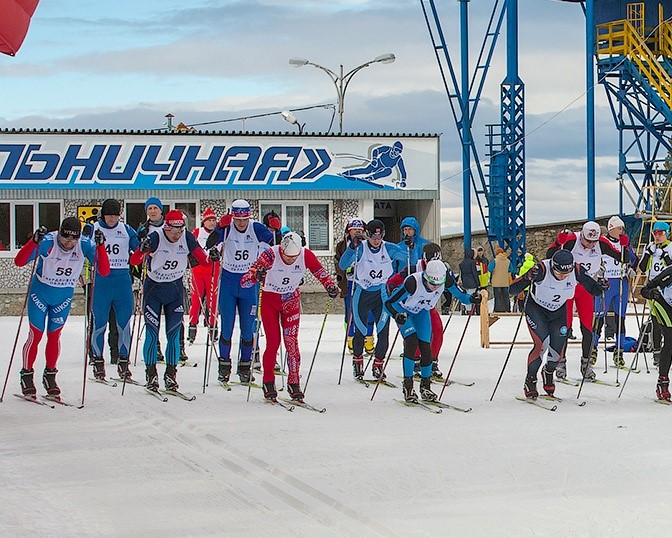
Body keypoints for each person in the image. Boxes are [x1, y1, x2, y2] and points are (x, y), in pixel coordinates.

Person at [14, 217, 110, 399]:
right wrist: (33, 242)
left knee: (54, 335)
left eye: (72, 240)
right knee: (36, 334)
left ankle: (50, 375)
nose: (68, 244)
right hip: (40, 293)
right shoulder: (49, 241)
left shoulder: (84, 244)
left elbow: (104, 271)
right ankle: (26, 374)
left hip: (63, 296)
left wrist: (100, 247)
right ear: (59, 234)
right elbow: (19, 261)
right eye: (65, 239)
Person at [241, 232, 339, 401]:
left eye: (294, 257)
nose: (290, 260)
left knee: (291, 344)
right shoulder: (270, 254)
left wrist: (330, 286)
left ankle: (294, 382)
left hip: (291, 302)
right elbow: (244, 281)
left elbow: (320, 272)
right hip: (270, 301)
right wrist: (256, 276)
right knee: (273, 343)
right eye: (287, 257)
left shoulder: (305, 255)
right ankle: (269, 381)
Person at [509, 250, 608, 399]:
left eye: (566, 274)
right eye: (559, 273)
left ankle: (548, 372)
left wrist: (601, 286)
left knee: (557, 348)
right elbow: (512, 289)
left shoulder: (577, 270)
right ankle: (530, 380)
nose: (563, 276)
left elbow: (593, 289)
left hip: (558, 312)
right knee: (541, 344)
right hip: (537, 310)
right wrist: (526, 278)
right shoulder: (542, 269)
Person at [129, 210, 209, 393]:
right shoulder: (156, 237)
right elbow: (133, 260)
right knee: (152, 332)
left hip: (174, 289)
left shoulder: (186, 238)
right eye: (174, 231)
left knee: (173, 334)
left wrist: (211, 256)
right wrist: (142, 249)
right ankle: (151, 374)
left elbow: (204, 261)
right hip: (154, 289)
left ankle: (171, 374)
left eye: (180, 230)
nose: (177, 235)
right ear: (167, 227)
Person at [385, 259, 480, 402]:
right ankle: (408, 386)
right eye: (432, 284)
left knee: (426, 348)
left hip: (421, 312)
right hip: (404, 311)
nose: (435, 288)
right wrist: (396, 315)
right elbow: (389, 303)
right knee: (411, 342)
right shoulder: (413, 283)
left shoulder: (446, 279)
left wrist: (472, 298)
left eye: (438, 284)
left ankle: (425, 387)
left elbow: (462, 297)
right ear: (425, 277)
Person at [547, 221, 627, 381]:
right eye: (587, 241)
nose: (589, 245)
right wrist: (558, 242)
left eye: (593, 242)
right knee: (565, 327)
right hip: (567, 286)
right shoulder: (571, 240)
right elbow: (550, 256)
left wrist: (625, 245)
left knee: (587, 328)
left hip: (586, 287)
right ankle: (560, 363)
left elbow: (623, 258)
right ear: (581, 235)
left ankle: (586, 364)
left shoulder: (601, 243)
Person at [205, 199, 274, 384]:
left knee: (247, 328)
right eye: (237, 219)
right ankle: (224, 366)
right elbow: (210, 244)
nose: (241, 223)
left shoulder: (256, 228)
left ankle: (245, 367)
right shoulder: (227, 228)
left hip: (249, 282)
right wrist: (219, 228)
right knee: (227, 326)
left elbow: (273, 244)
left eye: (244, 219)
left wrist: (275, 228)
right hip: (228, 281)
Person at [338, 219, 407, 381]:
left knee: (383, 332)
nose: (376, 241)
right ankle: (358, 362)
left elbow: (408, 257)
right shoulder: (360, 248)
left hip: (381, 295)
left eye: (380, 236)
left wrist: (409, 245)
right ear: (367, 235)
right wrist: (351, 248)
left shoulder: (388, 248)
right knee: (361, 330)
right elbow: (343, 264)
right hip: (362, 293)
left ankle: (378, 365)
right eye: (373, 237)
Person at [387, 242, 467, 380]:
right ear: (425, 259)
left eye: (437, 260)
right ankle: (416, 360)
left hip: (427, 306)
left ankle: (432, 361)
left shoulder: (441, 270)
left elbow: (454, 288)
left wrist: (468, 297)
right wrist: (393, 291)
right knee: (414, 337)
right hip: (410, 306)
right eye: (431, 260)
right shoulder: (414, 269)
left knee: (437, 329)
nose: (434, 263)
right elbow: (393, 282)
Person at [89, 199, 140, 383]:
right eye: (109, 214)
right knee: (100, 324)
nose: (112, 218)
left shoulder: (126, 230)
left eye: (115, 215)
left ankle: (123, 363)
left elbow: (138, 250)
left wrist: (145, 247)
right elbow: (81, 250)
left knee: (124, 324)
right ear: (103, 214)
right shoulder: (93, 229)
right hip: (102, 282)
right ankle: (98, 362)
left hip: (122, 281)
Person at [592, 216, 638, 367]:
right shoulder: (601, 242)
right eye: (619, 228)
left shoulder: (625, 243)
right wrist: (596, 270)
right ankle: (592, 349)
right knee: (599, 317)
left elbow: (633, 259)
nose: (621, 231)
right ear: (611, 228)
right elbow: (592, 258)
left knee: (621, 318)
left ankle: (619, 352)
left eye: (622, 229)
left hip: (620, 282)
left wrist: (631, 267)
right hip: (606, 283)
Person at [334, 218, 375, 354]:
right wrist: (341, 275)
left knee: (368, 312)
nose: (357, 232)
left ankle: (368, 340)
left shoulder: (369, 244)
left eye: (360, 230)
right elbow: (338, 262)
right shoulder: (342, 245)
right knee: (350, 312)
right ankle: (351, 339)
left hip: (365, 283)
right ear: (349, 231)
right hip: (349, 283)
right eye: (354, 230)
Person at [638, 221, 672, 367]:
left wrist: (664, 256)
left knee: (667, 324)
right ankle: (657, 352)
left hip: (668, 287)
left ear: (667, 233)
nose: (657, 236)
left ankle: (666, 350)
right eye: (655, 233)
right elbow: (642, 267)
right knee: (655, 321)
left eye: (660, 233)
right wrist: (647, 253)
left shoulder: (670, 247)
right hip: (653, 289)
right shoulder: (650, 247)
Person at [640, 265, 672, 401]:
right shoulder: (669, 272)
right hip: (664, 304)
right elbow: (644, 290)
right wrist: (651, 293)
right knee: (671, 340)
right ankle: (662, 382)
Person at [188, 208, 219, 345]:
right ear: (204, 222)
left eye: (213, 220)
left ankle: (213, 328)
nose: (211, 223)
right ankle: (192, 327)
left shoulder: (219, 234)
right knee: (196, 300)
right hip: (198, 271)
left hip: (213, 271)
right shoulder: (197, 232)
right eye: (209, 220)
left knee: (212, 302)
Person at [488, 247, 514, 312]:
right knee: (506, 297)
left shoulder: (495, 261)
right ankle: (507, 309)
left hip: (496, 282)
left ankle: (497, 309)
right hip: (505, 282)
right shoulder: (508, 261)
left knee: (497, 297)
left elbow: (489, 268)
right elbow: (512, 269)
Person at [458, 248, 480, 314]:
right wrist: (478, 283)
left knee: (466, 295)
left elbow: (461, 274)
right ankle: (470, 311)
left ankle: (466, 309)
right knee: (471, 296)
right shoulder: (472, 262)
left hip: (465, 282)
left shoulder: (462, 263)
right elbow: (474, 273)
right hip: (472, 282)